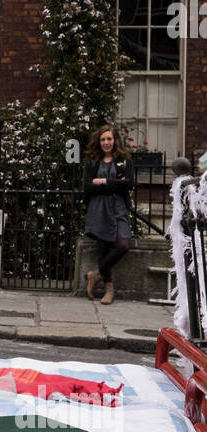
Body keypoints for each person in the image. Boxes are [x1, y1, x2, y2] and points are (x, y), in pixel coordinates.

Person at [82, 122, 133, 305]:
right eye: (103, 139)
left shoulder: (124, 161)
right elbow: (87, 187)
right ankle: (109, 289)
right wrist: (112, 185)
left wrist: (103, 181)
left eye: (109, 139)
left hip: (118, 207)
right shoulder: (92, 162)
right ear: (99, 141)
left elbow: (128, 183)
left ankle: (95, 275)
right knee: (103, 248)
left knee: (122, 245)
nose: (106, 142)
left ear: (115, 140)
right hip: (98, 209)